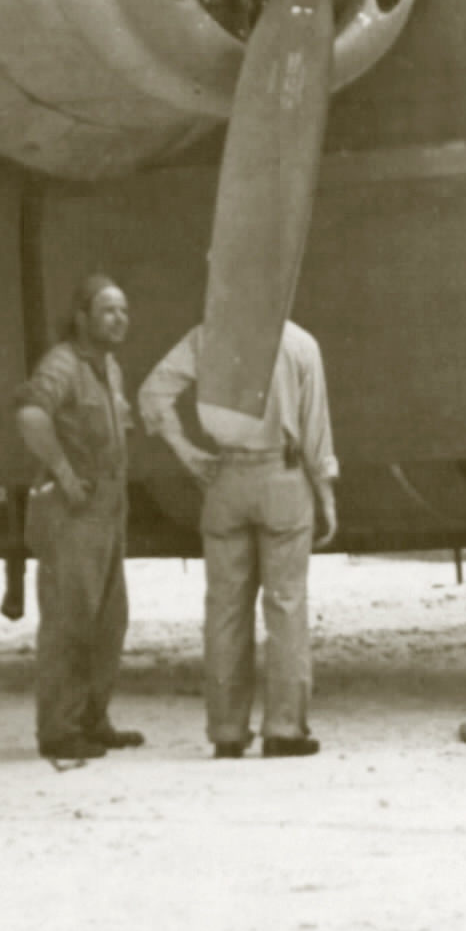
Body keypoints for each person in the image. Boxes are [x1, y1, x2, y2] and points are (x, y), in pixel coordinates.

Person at [140, 319, 338, 761]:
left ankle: (226, 732)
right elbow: (314, 429)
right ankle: (284, 730)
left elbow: (153, 392)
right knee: (286, 605)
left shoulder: (206, 336)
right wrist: (325, 492)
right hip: (282, 477)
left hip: (225, 477)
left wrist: (186, 450)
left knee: (225, 609)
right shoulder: (300, 342)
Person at [15, 275, 143, 763]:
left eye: (124, 310)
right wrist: (64, 472)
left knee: (109, 620)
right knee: (70, 621)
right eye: (108, 310)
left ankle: (93, 719)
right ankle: (58, 729)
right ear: (83, 318)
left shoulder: (107, 367)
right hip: (73, 512)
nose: (119, 319)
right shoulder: (62, 364)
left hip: (107, 509)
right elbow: (30, 414)